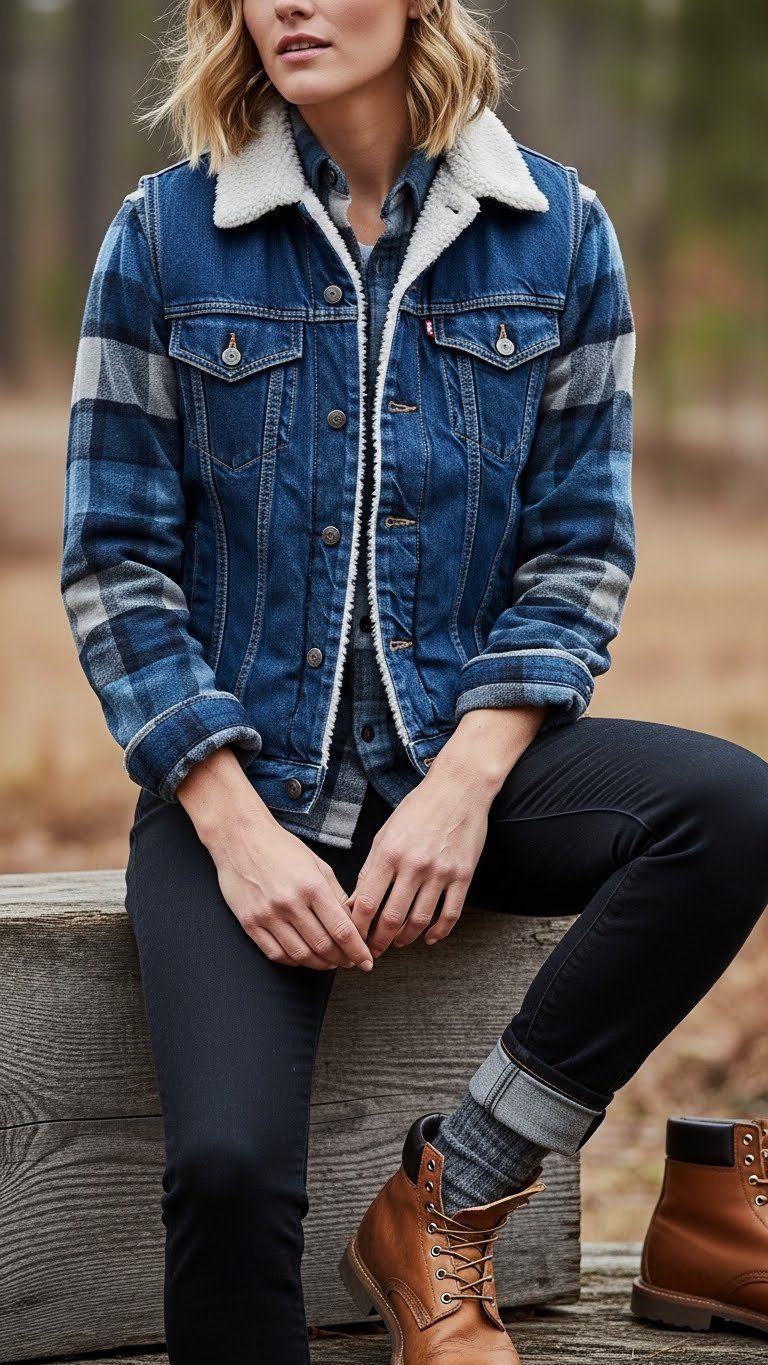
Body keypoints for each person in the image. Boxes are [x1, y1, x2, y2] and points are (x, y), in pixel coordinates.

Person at [59, 0, 768, 1359]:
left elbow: (577, 552)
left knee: (732, 806)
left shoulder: (560, 231)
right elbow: (113, 567)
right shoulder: (162, 235)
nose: (291, 5)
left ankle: (454, 1190)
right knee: (222, 1172)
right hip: (241, 792)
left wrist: (464, 782)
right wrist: (235, 825)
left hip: (469, 760)